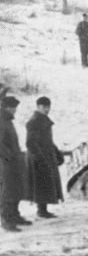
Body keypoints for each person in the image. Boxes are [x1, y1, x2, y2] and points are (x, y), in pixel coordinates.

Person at [24, 97, 64, 219]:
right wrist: (40, 158)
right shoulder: (34, 121)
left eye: (48, 107)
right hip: (38, 158)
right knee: (41, 183)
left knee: (45, 182)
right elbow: (30, 142)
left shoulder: (42, 120)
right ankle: (41, 210)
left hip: (45, 155)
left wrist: (57, 153)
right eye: (44, 107)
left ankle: (43, 209)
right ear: (38, 107)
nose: (47, 109)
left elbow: (48, 140)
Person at [0, 96, 29, 231]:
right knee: (7, 191)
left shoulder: (7, 120)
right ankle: (6, 219)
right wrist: (9, 157)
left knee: (16, 189)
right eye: (14, 108)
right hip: (6, 163)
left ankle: (15, 215)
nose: (15, 110)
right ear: (8, 108)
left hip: (13, 161)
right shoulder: (2, 120)